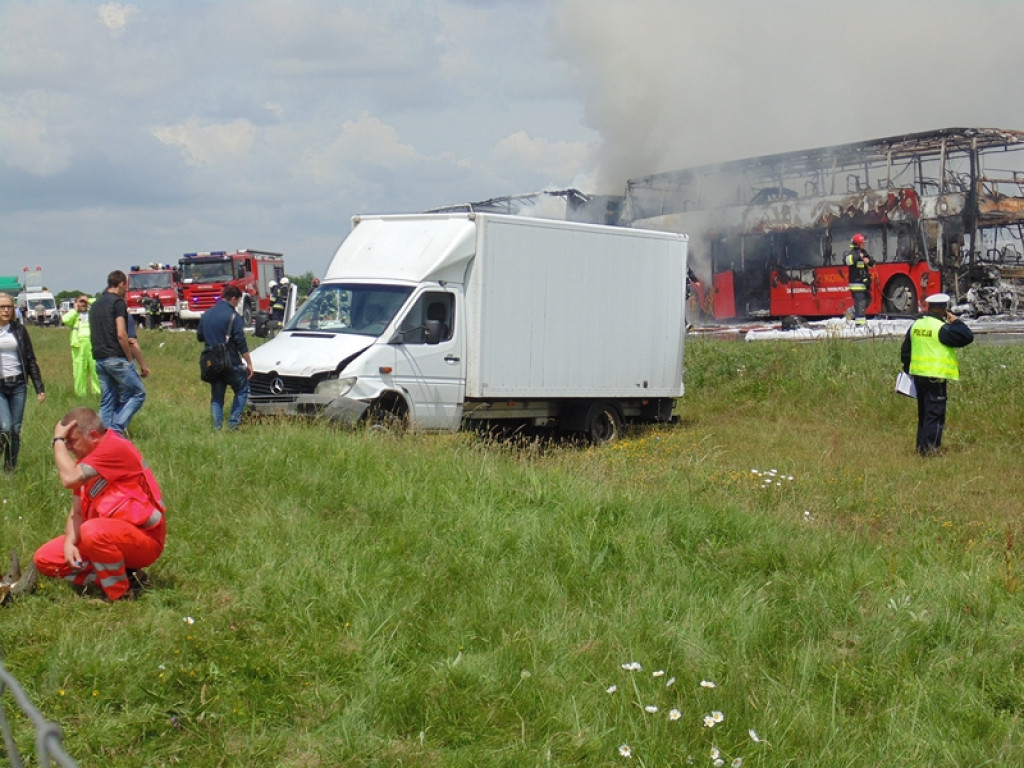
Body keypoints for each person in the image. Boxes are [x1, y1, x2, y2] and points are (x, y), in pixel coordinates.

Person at [33, 407, 165, 602]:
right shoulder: (86, 461)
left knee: (92, 531)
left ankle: (120, 594)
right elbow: (76, 512)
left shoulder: (114, 448)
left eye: (72, 441)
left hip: (144, 539)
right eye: (66, 442)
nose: (68, 447)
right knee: (44, 559)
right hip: (105, 537)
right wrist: (69, 543)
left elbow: (69, 479)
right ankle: (125, 576)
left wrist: (58, 441)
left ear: (93, 436)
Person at [900, 292, 974, 456]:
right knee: (935, 415)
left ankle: (921, 448)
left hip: (918, 376)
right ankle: (930, 451)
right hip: (936, 377)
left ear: (929, 307)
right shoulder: (941, 328)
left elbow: (905, 351)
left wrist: (908, 369)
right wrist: (956, 321)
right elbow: (967, 336)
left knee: (924, 414)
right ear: (944, 310)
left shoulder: (916, 325)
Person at [90, 270, 146, 435]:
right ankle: (116, 429)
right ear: (121, 284)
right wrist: (129, 358)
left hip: (99, 359)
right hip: (116, 358)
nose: (125, 290)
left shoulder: (95, 305)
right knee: (138, 393)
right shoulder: (118, 303)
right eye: (125, 286)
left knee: (107, 400)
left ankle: (101, 436)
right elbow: (121, 334)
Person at [0, 293, 46, 472]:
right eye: (2, 307)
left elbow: (30, 359)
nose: (5, 310)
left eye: (9, 307)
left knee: (15, 430)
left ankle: (9, 469)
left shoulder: (19, 330)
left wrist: (39, 387)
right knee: (5, 427)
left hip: (18, 385)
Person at [197, 284, 253, 430]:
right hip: (231, 362)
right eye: (238, 301)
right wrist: (249, 363)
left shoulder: (206, 314)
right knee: (242, 389)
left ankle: (217, 428)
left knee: (217, 397)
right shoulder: (234, 316)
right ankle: (233, 423)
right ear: (233, 298)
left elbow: (200, 336)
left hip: (214, 364)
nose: (237, 304)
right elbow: (240, 341)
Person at [62, 295, 100, 397]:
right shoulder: (74, 315)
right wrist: (75, 310)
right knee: (79, 371)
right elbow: (65, 319)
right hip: (78, 346)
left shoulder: (94, 313)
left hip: (93, 344)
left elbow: (100, 304)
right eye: (80, 302)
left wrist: (88, 300)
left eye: (84, 302)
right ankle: (80, 394)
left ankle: (97, 393)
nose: (83, 304)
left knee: (96, 370)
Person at [846, 233, 875, 325]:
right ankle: (860, 323)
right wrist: (858, 256)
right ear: (858, 244)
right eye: (863, 243)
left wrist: (868, 261)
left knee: (868, 300)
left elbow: (872, 264)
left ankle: (850, 313)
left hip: (864, 284)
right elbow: (847, 260)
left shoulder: (864, 252)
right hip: (856, 284)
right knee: (861, 302)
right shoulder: (852, 253)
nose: (864, 244)